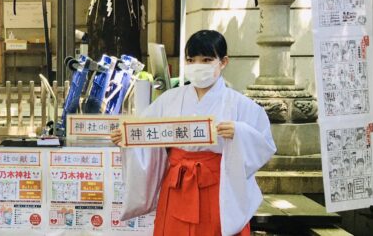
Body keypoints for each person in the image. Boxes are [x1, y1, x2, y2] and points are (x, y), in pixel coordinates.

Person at [111, 30, 276, 236]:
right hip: (177, 184)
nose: (198, 65)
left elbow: (265, 144)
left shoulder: (241, 105)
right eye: (191, 60)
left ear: (223, 62)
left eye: (206, 59)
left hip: (217, 186)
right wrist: (128, 138)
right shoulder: (169, 99)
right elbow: (147, 132)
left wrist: (240, 133)